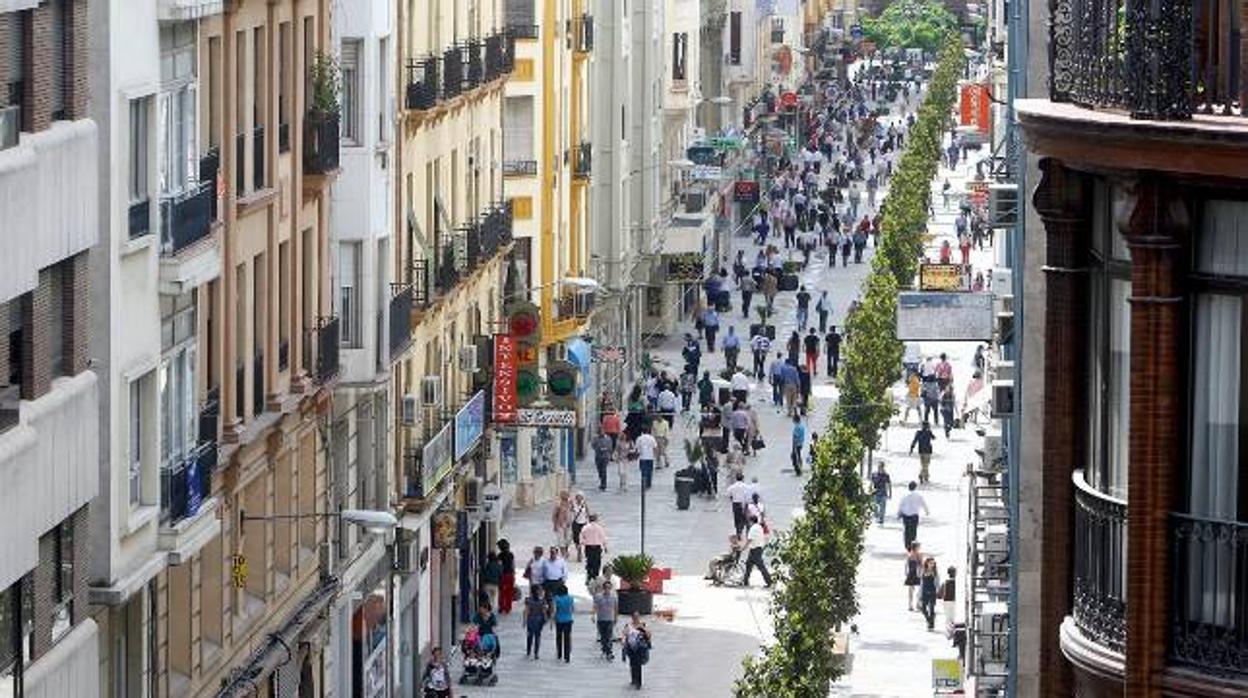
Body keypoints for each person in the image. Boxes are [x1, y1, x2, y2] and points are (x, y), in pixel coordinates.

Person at [622, 613, 653, 689]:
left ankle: (638, 682)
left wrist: (643, 630)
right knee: (632, 663)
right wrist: (623, 643)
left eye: (637, 617)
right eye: (634, 617)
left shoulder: (643, 625)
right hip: (630, 647)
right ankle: (633, 679)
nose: (636, 618)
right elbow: (624, 635)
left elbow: (649, 635)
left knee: (638, 664)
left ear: (639, 617)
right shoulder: (628, 625)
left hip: (640, 647)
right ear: (632, 618)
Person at [742, 514, 773, 587]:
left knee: (761, 566)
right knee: (748, 565)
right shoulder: (759, 527)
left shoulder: (753, 529)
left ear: (751, 521)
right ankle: (745, 581)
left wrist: (743, 548)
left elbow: (749, 540)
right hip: (758, 549)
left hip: (755, 550)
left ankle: (769, 581)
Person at [898, 482, 930, 551]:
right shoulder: (918, 495)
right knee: (913, 530)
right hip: (914, 516)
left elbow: (901, 505)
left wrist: (898, 513)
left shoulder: (904, 495)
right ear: (915, 487)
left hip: (906, 516)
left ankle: (907, 545)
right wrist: (927, 512)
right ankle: (912, 544)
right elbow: (923, 504)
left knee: (907, 530)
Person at [594, 580, 619, 659]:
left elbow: (616, 608)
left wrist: (616, 617)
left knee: (609, 636)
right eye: (606, 588)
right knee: (603, 637)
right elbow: (596, 606)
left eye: (609, 587)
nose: (607, 589)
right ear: (603, 588)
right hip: (601, 619)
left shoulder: (614, 597)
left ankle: (609, 652)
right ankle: (604, 650)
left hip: (610, 619)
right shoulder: (598, 596)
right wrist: (593, 615)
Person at [580, 514, 608, 579]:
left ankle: (589, 575)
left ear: (589, 519)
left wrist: (583, 544)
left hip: (588, 547)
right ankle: (596, 575)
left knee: (589, 561)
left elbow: (581, 537)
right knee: (597, 562)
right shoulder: (599, 527)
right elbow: (603, 537)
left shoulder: (585, 527)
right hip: (597, 547)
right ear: (596, 519)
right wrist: (605, 547)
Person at [523, 586, 547, 659]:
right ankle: (536, 653)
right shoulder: (543, 601)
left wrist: (524, 621)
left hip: (530, 620)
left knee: (529, 636)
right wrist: (545, 618)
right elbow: (544, 611)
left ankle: (528, 651)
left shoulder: (528, 600)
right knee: (537, 636)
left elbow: (526, 611)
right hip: (539, 620)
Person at [553, 584, 574, 662]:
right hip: (568, 620)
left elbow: (555, 610)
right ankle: (567, 656)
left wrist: (553, 619)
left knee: (558, 637)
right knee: (567, 638)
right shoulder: (570, 598)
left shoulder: (556, 598)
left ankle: (559, 654)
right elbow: (572, 609)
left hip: (559, 620)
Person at [920, 557, 940, 631]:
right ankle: (929, 620)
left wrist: (937, 592)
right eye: (931, 563)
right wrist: (919, 594)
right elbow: (921, 583)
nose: (932, 564)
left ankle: (931, 625)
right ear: (927, 563)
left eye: (933, 563)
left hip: (932, 592)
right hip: (924, 592)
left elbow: (937, 583)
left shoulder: (935, 572)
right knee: (923, 608)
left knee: (931, 608)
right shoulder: (923, 571)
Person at [497, 539, 516, 614]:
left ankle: (502, 607)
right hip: (510, 575)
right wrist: (514, 574)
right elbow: (513, 565)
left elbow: (499, 565)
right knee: (509, 592)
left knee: (502, 592)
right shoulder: (511, 554)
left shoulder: (500, 555)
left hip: (503, 575)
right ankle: (508, 607)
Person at [635, 426, 657, 490]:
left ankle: (643, 482)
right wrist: (655, 455)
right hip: (650, 457)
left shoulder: (639, 438)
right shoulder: (652, 438)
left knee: (643, 471)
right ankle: (649, 483)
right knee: (650, 471)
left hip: (642, 457)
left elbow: (637, 448)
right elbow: (655, 447)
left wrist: (636, 455)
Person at [570, 492, 590, 561]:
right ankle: (579, 551)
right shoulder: (573, 504)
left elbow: (588, 512)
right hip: (575, 523)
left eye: (580, 497)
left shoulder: (584, 504)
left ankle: (580, 551)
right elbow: (569, 512)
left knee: (583, 538)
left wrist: (589, 522)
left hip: (583, 523)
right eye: (578, 497)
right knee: (576, 538)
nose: (579, 498)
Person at [551, 491, 572, 556]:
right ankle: (563, 553)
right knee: (561, 539)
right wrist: (554, 525)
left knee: (568, 539)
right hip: (560, 524)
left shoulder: (569, 504)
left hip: (568, 524)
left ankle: (566, 550)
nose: (567, 496)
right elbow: (554, 515)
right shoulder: (558, 504)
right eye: (565, 495)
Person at [904, 542, 923, 611]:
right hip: (914, 574)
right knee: (914, 590)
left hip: (914, 574)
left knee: (916, 590)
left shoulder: (914, 555)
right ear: (916, 547)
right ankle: (913, 604)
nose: (919, 548)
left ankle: (915, 604)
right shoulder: (914, 555)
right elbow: (906, 565)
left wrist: (906, 572)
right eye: (919, 547)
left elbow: (906, 565)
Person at [940, 566, 958, 631]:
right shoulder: (957, 582)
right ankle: (951, 630)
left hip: (946, 600)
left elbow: (941, 592)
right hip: (954, 600)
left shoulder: (945, 581)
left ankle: (948, 630)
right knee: (953, 617)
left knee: (948, 617)